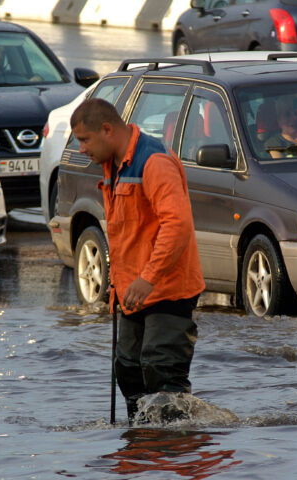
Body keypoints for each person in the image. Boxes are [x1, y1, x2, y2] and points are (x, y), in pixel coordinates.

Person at [69, 98, 206, 424]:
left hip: (167, 288)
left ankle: (172, 456)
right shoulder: (113, 165)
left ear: (107, 130)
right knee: (128, 371)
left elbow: (178, 225)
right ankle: (140, 451)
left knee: (161, 372)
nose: (82, 149)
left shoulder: (153, 162)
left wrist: (148, 277)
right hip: (131, 292)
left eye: (85, 140)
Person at [263, 94, 297, 158]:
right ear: (279, 120)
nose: (294, 118)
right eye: (287, 114)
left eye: (296, 113)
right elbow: (281, 166)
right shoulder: (273, 143)